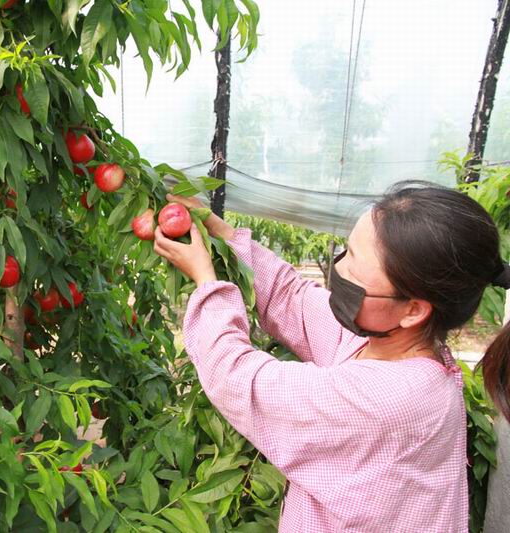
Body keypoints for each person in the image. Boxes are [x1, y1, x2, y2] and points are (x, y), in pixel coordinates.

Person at [153, 182, 510, 532]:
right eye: (347, 251)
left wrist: (207, 281)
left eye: (355, 267)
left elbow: (238, 379)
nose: (340, 270)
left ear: (413, 310)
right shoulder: (388, 342)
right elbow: (292, 297)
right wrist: (227, 237)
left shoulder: (388, 399)